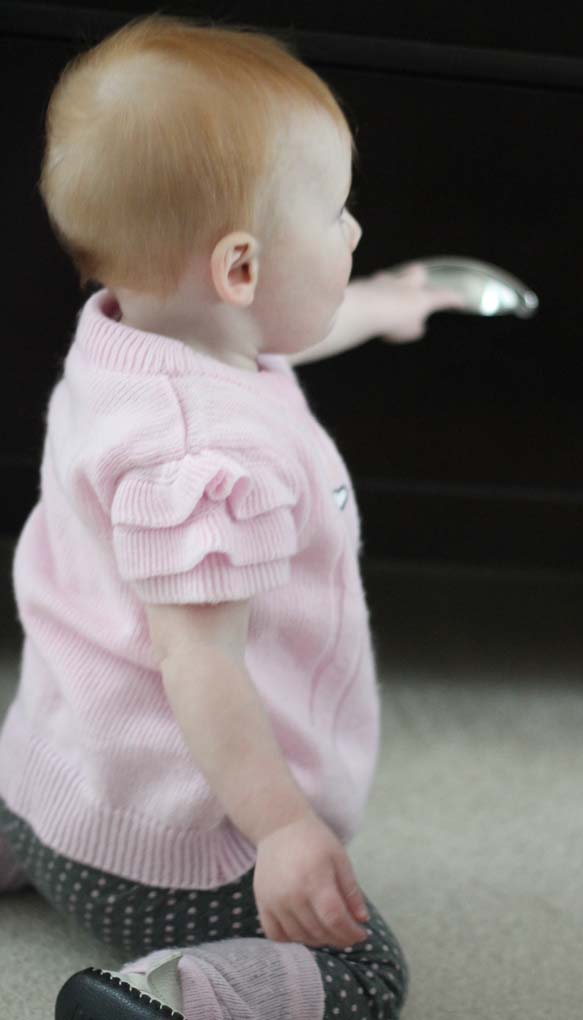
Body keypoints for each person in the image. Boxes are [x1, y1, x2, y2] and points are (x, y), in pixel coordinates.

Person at [0, 12, 461, 1020]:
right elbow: (197, 664)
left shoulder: (130, 336)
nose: (354, 230)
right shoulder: (211, 459)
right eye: (337, 213)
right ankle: (168, 994)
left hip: (41, 783)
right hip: (169, 858)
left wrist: (379, 304)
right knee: (362, 972)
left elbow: (267, 334)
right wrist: (284, 828)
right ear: (241, 269)